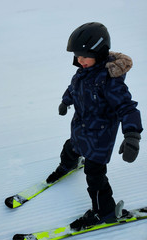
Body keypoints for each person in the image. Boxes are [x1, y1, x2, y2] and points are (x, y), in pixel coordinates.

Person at [46, 22, 143, 228]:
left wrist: (132, 135)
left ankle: (104, 211)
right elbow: (74, 88)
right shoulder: (85, 70)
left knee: (95, 175)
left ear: (98, 52)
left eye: (83, 56)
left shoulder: (110, 81)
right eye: (76, 56)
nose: (79, 60)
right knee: (70, 147)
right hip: (81, 128)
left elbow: (127, 108)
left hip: (99, 137)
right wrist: (66, 101)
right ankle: (68, 165)